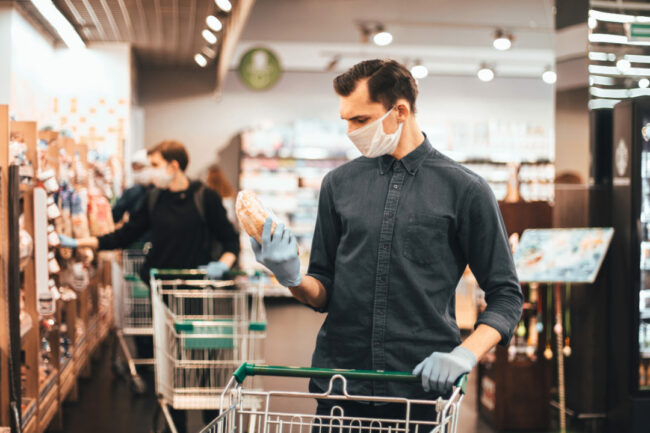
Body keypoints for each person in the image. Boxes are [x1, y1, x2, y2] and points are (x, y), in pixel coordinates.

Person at [250, 59, 523, 423]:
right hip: (340, 387)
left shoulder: (466, 189)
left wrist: (464, 354)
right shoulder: (337, 184)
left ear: (400, 111)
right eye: (345, 120)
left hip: (417, 392)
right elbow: (324, 291)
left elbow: (506, 295)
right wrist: (291, 278)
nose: (350, 131)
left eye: (360, 120)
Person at [59, 139, 239, 432]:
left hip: (198, 292)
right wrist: (80, 242)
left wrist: (224, 264)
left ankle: (211, 421)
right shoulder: (154, 199)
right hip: (162, 293)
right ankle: (174, 424)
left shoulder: (205, 197)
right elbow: (124, 235)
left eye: (155, 165)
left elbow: (231, 240)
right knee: (170, 365)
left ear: (174, 165)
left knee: (204, 362)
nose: (150, 173)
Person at [111, 148, 153, 243]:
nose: (137, 173)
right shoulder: (133, 192)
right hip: (137, 241)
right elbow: (115, 215)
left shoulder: (161, 192)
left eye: (140, 168)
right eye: (134, 170)